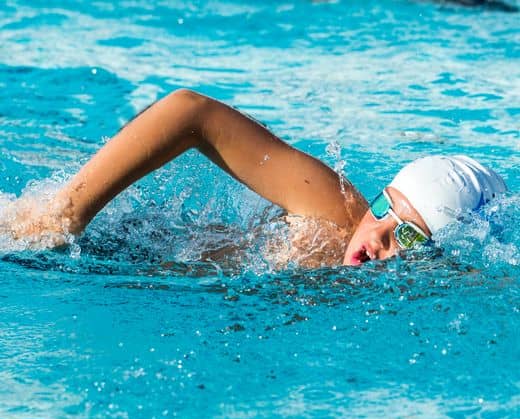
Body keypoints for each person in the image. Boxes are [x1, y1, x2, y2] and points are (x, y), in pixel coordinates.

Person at [5, 89, 507, 267]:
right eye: (383, 208)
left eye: (410, 235)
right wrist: (63, 215)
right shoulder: (334, 213)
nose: (378, 235)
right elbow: (189, 112)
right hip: (105, 246)